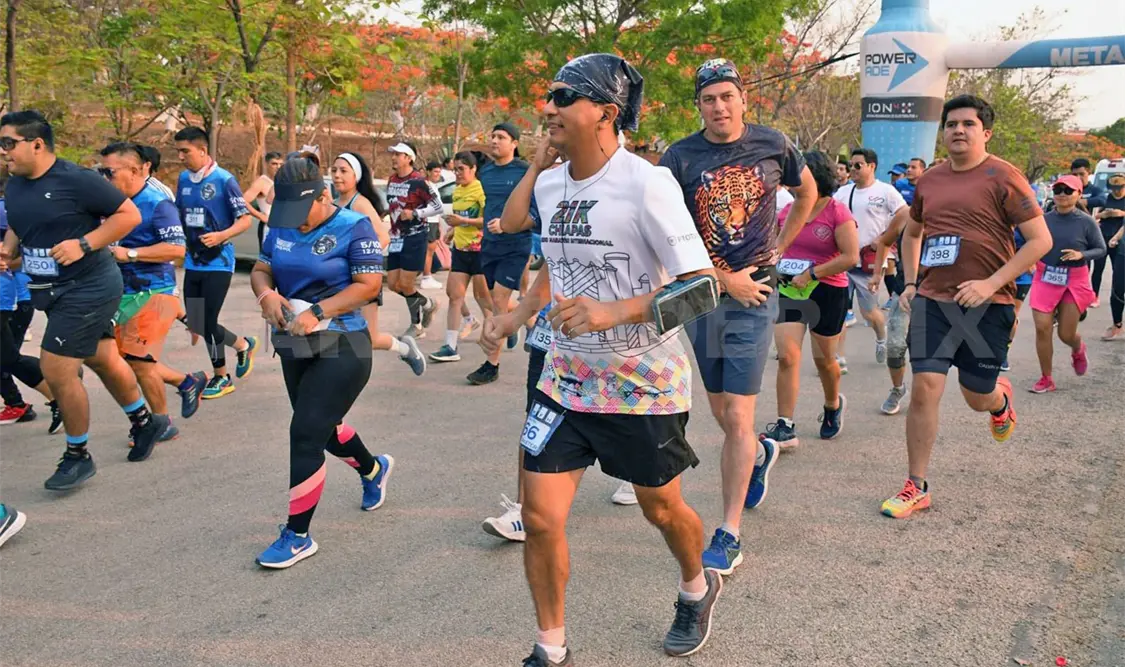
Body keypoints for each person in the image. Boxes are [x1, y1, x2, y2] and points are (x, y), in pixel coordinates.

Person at [487, 53, 723, 664]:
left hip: (640, 383)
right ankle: (551, 647)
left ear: (606, 113)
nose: (549, 108)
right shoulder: (549, 182)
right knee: (539, 517)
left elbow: (702, 287)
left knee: (661, 507)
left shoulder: (648, 183)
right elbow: (554, 265)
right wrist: (519, 312)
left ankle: (698, 586)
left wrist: (613, 312)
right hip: (566, 380)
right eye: (550, 96)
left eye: (565, 97)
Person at [660, 57, 816, 575]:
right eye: (709, 99)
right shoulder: (678, 157)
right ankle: (760, 455)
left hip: (754, 295)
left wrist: (777, 248)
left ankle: (728, 531)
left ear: (743, 99)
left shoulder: (773, 144)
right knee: (721, 412)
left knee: (738, 417)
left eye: (727, 96)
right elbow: (665, 227)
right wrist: (721, 277)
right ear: (699, 105)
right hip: (702, 294)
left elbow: (807, 193)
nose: (719, 106)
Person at [880, 95, 1050, 519]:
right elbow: (912, 233)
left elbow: (1041, 240)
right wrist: (912, 281)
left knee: (976, 395)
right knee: (925, 388)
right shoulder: (930, 180)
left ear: (985, 132)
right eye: (951, 124)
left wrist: (991, 282)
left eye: (968, 124)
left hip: (989, 303)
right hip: (935, 301)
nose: (957, 130)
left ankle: (998, 402)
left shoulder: (1003, 177)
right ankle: (916, 485)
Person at [0, 110, 171, 488]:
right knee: (104, 358)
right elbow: (18, 220)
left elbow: (127, 216)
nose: (4, 151)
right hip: (50, 290)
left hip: (89, 287)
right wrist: (7, 250)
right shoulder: (15, 183)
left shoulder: (74, 179)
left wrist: (84, 244)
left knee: (56, 369)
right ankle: (146, 421)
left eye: (9, 143)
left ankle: (78, 455)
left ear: (37, 144)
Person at [250, 156, 393, 569]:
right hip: (295, 343)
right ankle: (373, 469)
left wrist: (319, 309)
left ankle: (297, 535)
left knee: (305, 433)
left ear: (324, 196)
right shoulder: (280, 223)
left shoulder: (353, 226)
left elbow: (369, 286)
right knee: (323, 429)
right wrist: (267, 296)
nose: (295, 222)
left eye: (302, 213)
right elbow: (262, 269)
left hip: (345, 343)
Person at [99, 142, 207, 437]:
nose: (104, 178)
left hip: (155, 291)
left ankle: (160, 424)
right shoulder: (111, 202)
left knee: (140, 363)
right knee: (120, 361)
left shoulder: (157, 202)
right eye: (100, 171)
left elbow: (175, 249)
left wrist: (130, 254)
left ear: (135, 170)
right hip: (122, 293)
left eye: (108, 172)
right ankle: (186, 382)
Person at [768, 151, 859, 450]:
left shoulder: (837, 212)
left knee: (824, 361)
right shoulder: (787, 212)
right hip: (790, 289)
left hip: (827, 290)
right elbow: (777, 249)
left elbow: (850, 256)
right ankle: (785, 425)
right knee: (787, 356)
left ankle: (833, 405)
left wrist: (813, 274)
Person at [173, 126, 258, 399]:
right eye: (178, 151)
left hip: (219, 262)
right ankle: (243, 344)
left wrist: (222, 235)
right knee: (196, 322)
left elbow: (244, 219)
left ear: (202, 150)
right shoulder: (184, 180)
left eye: (185, 151)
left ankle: (222, 376)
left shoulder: (224, 180)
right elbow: (179, 214)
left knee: (208, 321)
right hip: (193, 261)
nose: (181, 157)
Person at [330, 151, 426, 375]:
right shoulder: (333, 205)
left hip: (363, 280)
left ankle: (406, 348)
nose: (337, 175)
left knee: (370, 338)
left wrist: (358, 260)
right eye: (334, 170)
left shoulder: (360, 204)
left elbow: (383, 237)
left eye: (343, 171)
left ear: (357, 176)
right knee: (337, 332)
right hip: (339, 282)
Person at [469, 122, 536, 386]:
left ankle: (491, 365)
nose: (494, 141)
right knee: (493, 299)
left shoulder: (525, 171)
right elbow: (489, 208)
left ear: (514, 143)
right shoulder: (484, 172)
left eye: (501, 137)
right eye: (493, 136)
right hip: (489, 245)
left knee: (498, 301)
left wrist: (510, 224)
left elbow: (536, 211)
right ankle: (532, 323)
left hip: (515, 245)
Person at [1028, 175, 1105, 393]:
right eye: (1058, 189)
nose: (1062, 194)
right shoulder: (1043, 219)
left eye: (1067, 190)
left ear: (1079, 194)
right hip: (1046, 277)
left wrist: (1081, 254)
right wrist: (1028, 261)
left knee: (1065, 334)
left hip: (1074, 279)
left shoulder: (1086, 221)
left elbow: (1101, 249)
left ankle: (1077, 348)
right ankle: (1046, 378)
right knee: (1042, 328)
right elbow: (1029, 242)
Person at [833, 148, 908, 370]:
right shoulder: (843, 193)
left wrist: (885, 237)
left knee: (869, 312)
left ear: (871, 166)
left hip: (869, 262)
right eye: (851, 166)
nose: (853, 170)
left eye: (858, 165)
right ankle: (839, 358)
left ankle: (881, 338)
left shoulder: (885, 192)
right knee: (839, 311)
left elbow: (905, 213)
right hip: (842, 261)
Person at [0, 171, 62, 430]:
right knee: (6, 357)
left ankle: (60, 391)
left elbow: (17, 253)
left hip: (8, 295)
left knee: (7, 357)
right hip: (15, 294)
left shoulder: (6, 211)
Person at [430, 151, 492, 363]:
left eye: (461, 169)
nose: (457, 173)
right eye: (455, 169)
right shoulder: (457, 190)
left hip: (480, 251)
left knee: (484, 299)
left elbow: (488, 220)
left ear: (473, 169)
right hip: (460, 250)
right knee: (454, 296)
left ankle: (505, 328)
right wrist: (452, 231)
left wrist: (461, 222)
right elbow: (463, 220)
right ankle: (451, 346)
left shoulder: (481, 190)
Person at [384, 142, 442, 339]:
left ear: (409, 158)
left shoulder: (419, 181)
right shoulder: (392, 180)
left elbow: (438, 206)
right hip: (396, 237)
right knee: (393, 284)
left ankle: (416, 326)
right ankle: (427, 304)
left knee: (407, 284)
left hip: (415, 236)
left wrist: (416, 213)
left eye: (398, 154)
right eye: (393, 154)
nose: (393, 157)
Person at [242, 151, 284, 251]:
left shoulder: (284, 181)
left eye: (280, 164)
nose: (278, 167)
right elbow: (242, 201)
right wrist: (260, 216)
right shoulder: (262, 182)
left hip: (283, 227)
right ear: (267, 164)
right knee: (267, 261)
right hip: (268, 227)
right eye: (274, 164)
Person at [1100, 173, 1125, 341]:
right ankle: (1117, 324)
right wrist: (1116, 238)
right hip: (1122, 251)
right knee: (1117, 289)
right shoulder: (1105, 198)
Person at [420, 160, 446, 290]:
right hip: (428, 221)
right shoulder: (425, 185)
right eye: (435, 171)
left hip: (434, 221)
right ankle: (426, 277)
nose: (437, 174)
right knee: (428, 251)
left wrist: (439, 223)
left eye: (439, 172)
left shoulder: (435, 186)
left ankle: (427, 275)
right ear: (428, 172)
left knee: (431, 249)